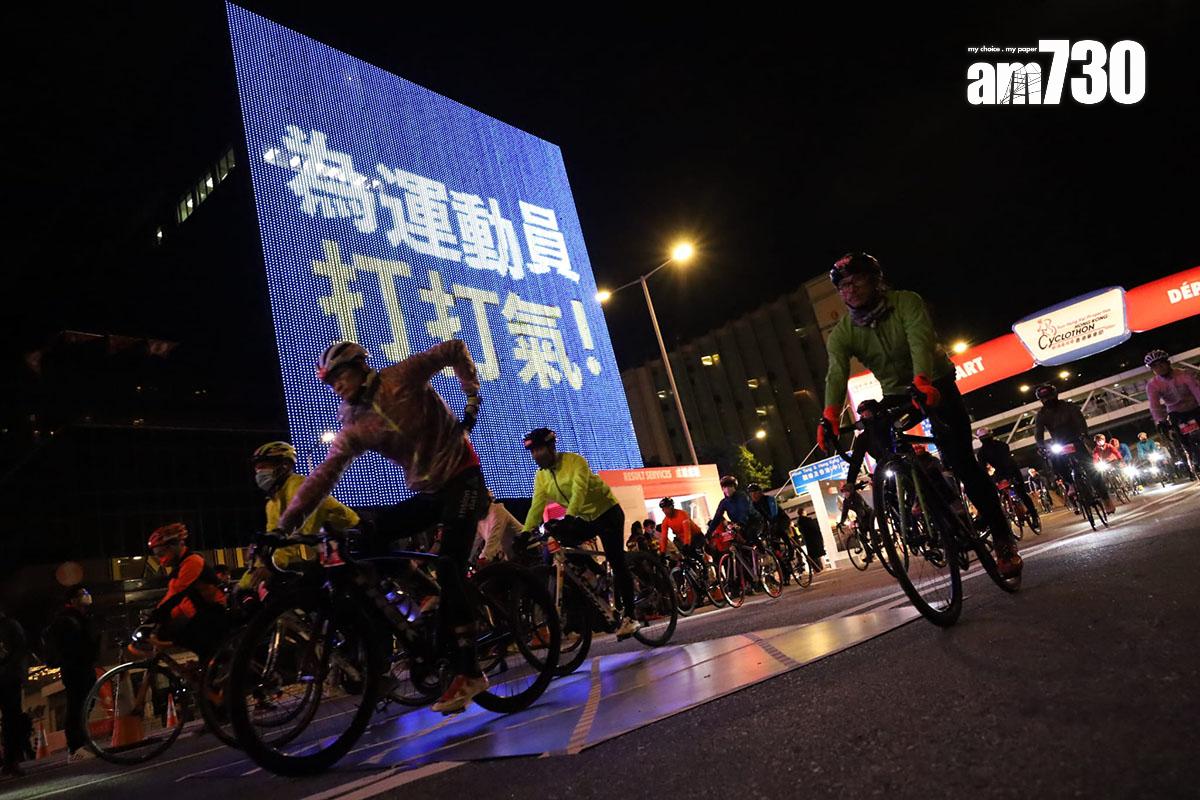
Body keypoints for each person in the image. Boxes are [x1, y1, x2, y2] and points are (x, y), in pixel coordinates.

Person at [276, 340, 488, 714]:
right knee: (365, 538)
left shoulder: (402, 376)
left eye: (340, 376)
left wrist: (470, 396)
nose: (337, 386)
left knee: (449, 564)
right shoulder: (354, 424)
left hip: (462, 476)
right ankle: (424, 595)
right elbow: (324, 475)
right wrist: (284, 526)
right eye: (330, 382)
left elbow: (455, 348)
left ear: (360, 366)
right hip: (429, 492)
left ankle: (470, 672)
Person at [818, 253, 1021, 577]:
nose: (849, 290)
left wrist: (923, 380)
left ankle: (1002, 540)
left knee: (962, 461)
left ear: (875, 280)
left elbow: (919, 340)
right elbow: (836, 372)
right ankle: (919, 495)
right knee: (879, 436)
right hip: (897, 392)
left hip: (935, 382)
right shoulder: (843, 332)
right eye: (842, 286)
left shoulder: (907, 302)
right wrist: (829, 415)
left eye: (855, 281)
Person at [521, 427, 641, 639]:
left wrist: (569, 517)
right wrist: (524, 532)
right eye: (532, 452)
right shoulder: (541, 476)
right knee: (561, 539)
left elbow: (579, 490)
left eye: (539, 450)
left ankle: (631, 617)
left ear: (551, 447)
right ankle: (595, 577)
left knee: (616, 560)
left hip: (607, 512)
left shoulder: (575, 461)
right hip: (585, 518)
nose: (535, 456)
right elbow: (536, 506)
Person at [242, 441, 361, 592]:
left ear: (285, 465)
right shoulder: (272, 502)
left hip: (353, 539)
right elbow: (273, 539)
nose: (259, 472)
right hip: (326, 548)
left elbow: (298, 529)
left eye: (264, 466)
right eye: (257, 468)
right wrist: (244, 583)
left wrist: (273, 565)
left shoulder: (299, 486)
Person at [146, 524, 229, 667]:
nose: (160, 560)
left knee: (182, 635)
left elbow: (175, 596)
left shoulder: (192, 562)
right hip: (202, 615)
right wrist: (157, 621)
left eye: (161, 554)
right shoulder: (180, 567)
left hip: (214, 613)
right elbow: (177, 601)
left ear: (173, 546)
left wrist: (152, 621)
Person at [1033, 384, 1116, 514]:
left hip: (1075, 440)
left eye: (1049, 396)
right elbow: (1038, 432)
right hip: (1059, 443)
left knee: (1091, 469)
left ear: (1055, 395)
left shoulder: (1069, 407)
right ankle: (1070, 485)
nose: (1047, 400)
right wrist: (1040, 446)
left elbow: (1080, 421)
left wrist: (1083, 435)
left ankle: (1106, 499)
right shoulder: (1041, 414)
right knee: (1056, 464)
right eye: (1043, 398)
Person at [45, 586, 100, 762]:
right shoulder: (66, 619)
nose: (87, 596)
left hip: (86, 666)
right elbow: (69, 646)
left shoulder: (83, 617)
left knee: (87, 703)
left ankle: (82, 742)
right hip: (74, 668)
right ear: (72, 600)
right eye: (82, 594)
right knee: (77, 704)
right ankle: (75, 747)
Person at [976, 427, 1040, 529]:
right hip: (1004, 471)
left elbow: (986, 468)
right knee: (1021, 493)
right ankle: (1031, 514)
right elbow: (984, 468)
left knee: (1021, 493)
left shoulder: (984, 452)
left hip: (1010, 470)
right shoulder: (1001, 446)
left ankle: (1034, 515)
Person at [1145, 349, 1200, 467]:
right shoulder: (1152, 385)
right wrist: (1161, 421)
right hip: (1176, 413)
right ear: (1152, 370)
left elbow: (1197, 390)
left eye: (1161, 363)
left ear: (1168, 363)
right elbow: (1154, 404)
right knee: (1180, 439)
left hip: (1195, 408)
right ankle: (1189, 458)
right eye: (1155, 366)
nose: (1159, 368)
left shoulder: (1184, 374)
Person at [0, 605, 31, 778]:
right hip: (9, 678)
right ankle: (10, 761)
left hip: (8, 678)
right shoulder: (11, 625)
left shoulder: (10, 626)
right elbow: (20, 651)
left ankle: (11, 761)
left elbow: (19, 651)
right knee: (11, 719)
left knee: (11, 720)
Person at [473, 491, 523, 565]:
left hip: (526, 547)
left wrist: (484, 557)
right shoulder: (480, 519)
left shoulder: (497, 510)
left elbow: (494, 537)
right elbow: (475, 542)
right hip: (513, 554)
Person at [656, 497, 706, 562]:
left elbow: (687, 531)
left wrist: (686, 544)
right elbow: (664, 538)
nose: (665, 511)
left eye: (666, 508)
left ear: (672, 507)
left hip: (696, 536)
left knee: (695, 552)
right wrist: (662, 552)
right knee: (684, 556)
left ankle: (704, 564)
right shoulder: (665, 521)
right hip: (683, 539)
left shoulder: (682, 514)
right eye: (663, 509)